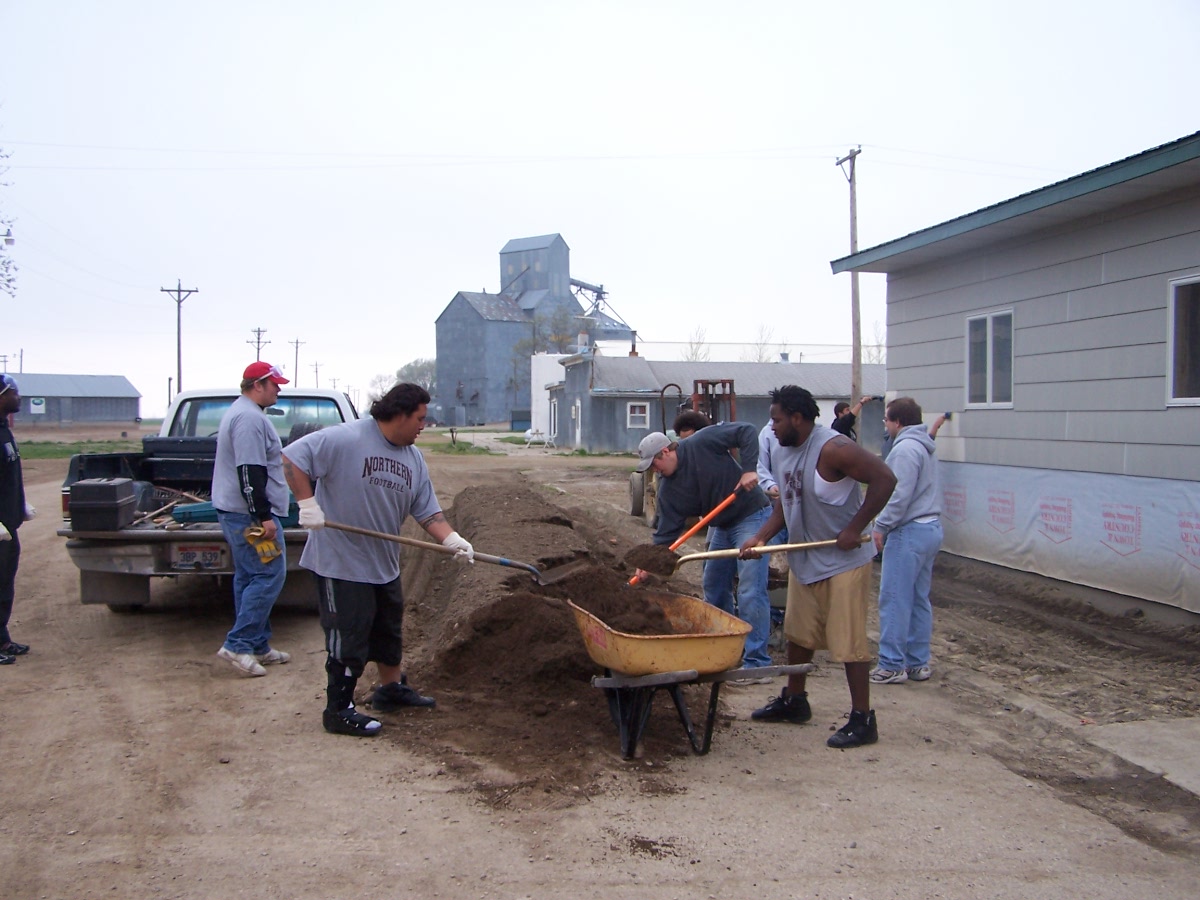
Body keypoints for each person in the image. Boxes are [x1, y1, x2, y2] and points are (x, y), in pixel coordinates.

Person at [283, 382, 475, 738]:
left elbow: (428, 511)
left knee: (388, 633)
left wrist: (452, 539)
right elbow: (292, 457)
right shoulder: (346, 438)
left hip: (382, 563)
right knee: (349, 636)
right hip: (340, 561)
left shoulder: (413, 458)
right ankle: (338, 710)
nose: (423, 425)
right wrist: (307, 504)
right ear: (399, 414)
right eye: (419, 418)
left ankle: (389, 691)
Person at [740, 385, 896, 748]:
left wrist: (856, 527)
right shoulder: (781, 451)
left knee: (848, 641)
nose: (772, 427)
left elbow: (885, 479)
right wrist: (761, 536)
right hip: (806, 558)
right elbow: (787, 503)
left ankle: (863, 719)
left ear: (797, 417)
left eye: (777, 419)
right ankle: (795, 701)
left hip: (843, 561)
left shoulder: (833, 448)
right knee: (798, 632)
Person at [634, 422, 774, 676]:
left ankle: (757, 662)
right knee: (714, 586)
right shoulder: (668, 490)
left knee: (750, 587)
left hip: (751, 515)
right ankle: (725, 651)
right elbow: (666, 535)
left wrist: (749, 470)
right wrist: (647, 564)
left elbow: (746, 431)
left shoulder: (703, 442)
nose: (655, 471)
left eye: (654, 464)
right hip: (721, 525)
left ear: (666, 452)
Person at [211, 361, 293, 677]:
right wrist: (264, 517)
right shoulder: (247, 418)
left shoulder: (244, 413)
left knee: (249, 575)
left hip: (239, 513)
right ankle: (239, 644)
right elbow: (249, 471)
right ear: (257, 385)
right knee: (269, 574)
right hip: (249, 518)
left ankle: (258, 643)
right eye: (274, 383)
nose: (279, 389)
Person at [870, 398, 943, 684]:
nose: (886, 427)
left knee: (894, 598)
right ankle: (917, 662)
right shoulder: (925, 445)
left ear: (897, 421)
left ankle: (891, 665)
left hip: (909, 531)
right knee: (917, 598)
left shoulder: (905, 450)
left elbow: (899, 495)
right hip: (931, 528)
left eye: (887, 421)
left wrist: (881, 526)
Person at [1, 375, 36, 665]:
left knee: (4, 583)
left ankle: (2, 639)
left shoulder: (4, 430)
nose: (19, 397)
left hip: (7, 526)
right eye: (14, 392)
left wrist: (19, 504)